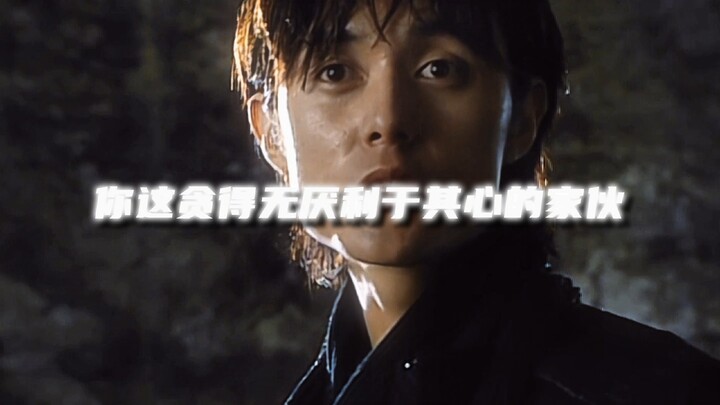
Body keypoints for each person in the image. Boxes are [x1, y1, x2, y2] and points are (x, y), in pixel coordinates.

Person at [232, 0, 720, 403]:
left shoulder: (665, 390)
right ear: (270, 132)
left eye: (439, 68)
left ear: (523, 117)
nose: (388, 120)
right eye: (335, 72)